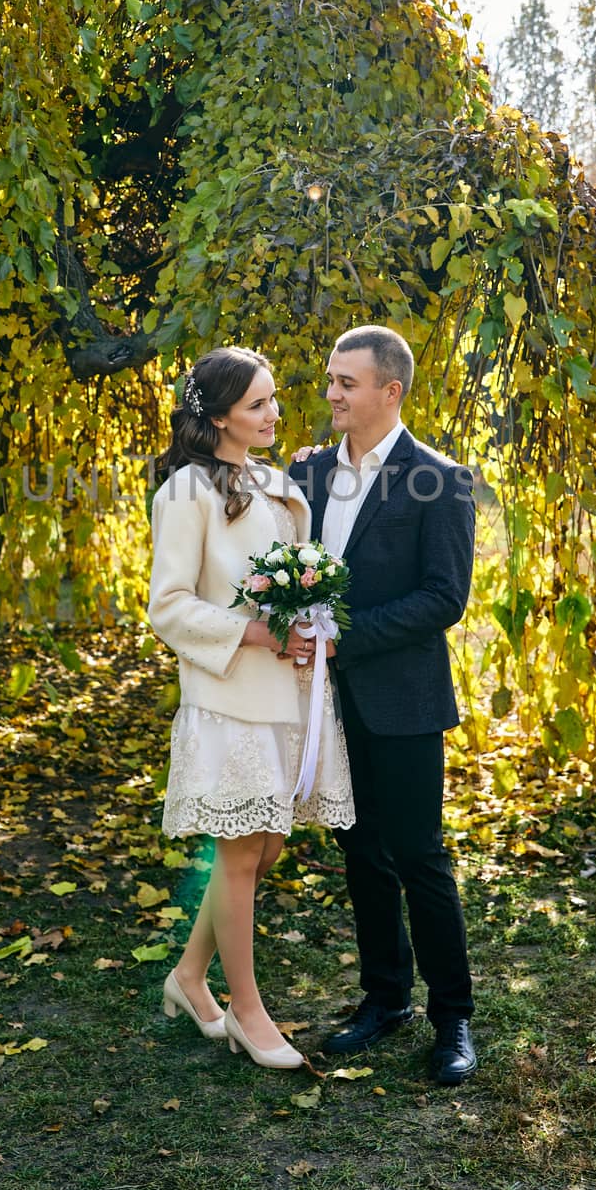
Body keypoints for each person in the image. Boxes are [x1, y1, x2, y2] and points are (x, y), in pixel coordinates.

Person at [148, 346, 355, 1071]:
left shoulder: (274, 481)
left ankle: (188, 975)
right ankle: (248, 1011)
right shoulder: (185, 492)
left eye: (274, 399)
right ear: (221, 415)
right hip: (230, 693)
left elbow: (299, 580)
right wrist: (256, 631)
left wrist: (304, 632)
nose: (274, 413)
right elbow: (169, 605)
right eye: (259, 403)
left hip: (288, 694)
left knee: (263, 848)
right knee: (241, 853)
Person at [288, 325, 478, 1084]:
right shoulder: (304, 475)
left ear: (390, 391)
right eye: (330, 380)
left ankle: (454, 1018)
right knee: (358, 852)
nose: (331, 393)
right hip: (324, 703)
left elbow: (444, 598)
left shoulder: (440, 478)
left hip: (402, 697)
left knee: (418, 855)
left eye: (346, 383)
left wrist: (344, 641)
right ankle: (384, 997)